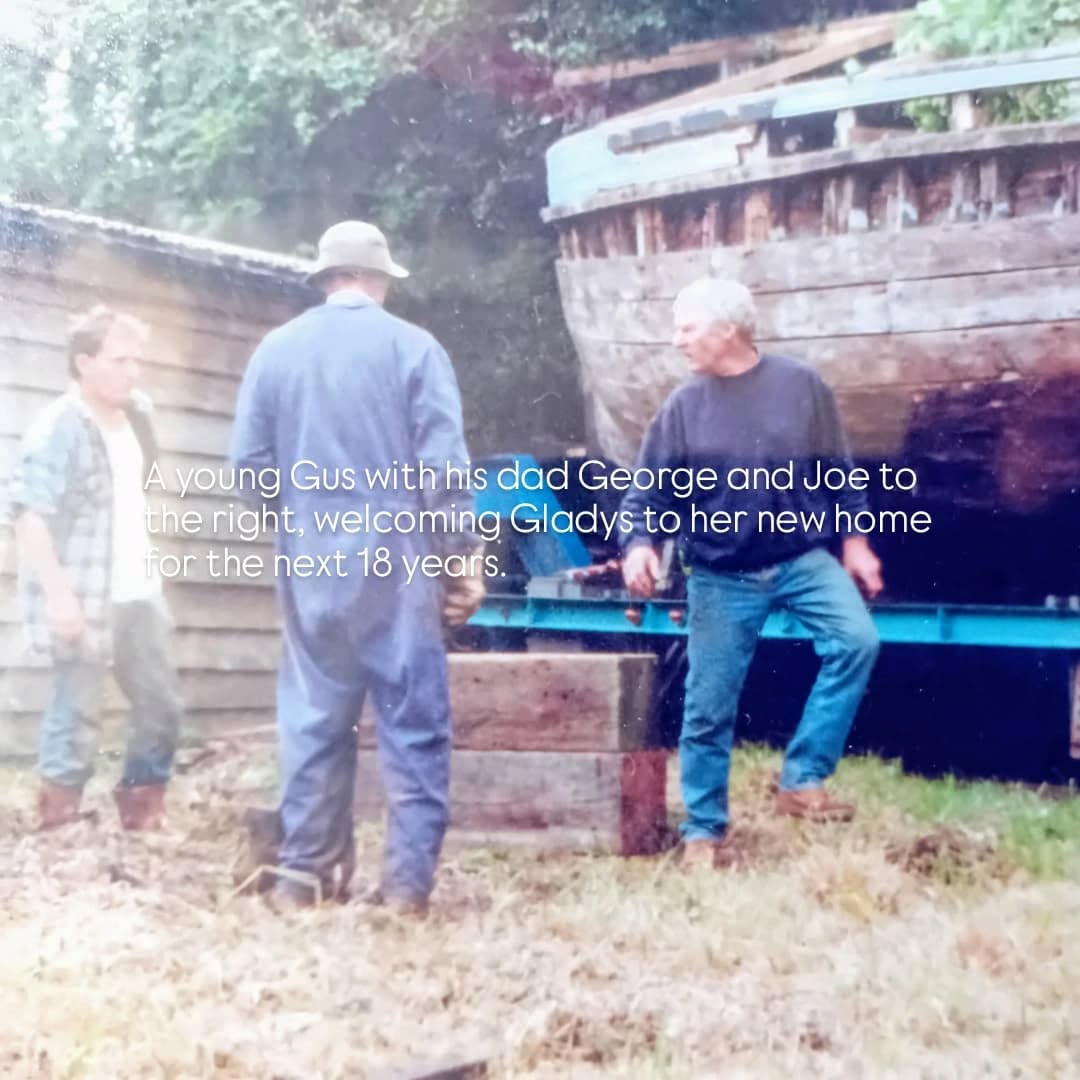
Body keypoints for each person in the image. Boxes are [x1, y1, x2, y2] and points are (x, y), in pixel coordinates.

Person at [230, 220, 484, 914]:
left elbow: (249, 468)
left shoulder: (274, 351)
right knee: (412, 720)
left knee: (313, 718)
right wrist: (461, 559)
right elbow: (441, 467)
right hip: (396, 556)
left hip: (310, 556)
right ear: (379, 280)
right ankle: (404, 888)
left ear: (324, 278)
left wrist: (302, 523)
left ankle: (300, 878)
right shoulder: (414, 348)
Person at [620, 278, 883, 868]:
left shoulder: (800, 386)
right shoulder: (683, 408)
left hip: (801, 560)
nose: (677, 341)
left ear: (728, 330)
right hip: (720, 574)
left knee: (857, 641)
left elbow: (837, 468)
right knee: (708, 706)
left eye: (687, 329)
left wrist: (856, 543)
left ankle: (802, 779)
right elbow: (648, 491)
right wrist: (640, 544)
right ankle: (704, 830)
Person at [8, 305, 182, 831]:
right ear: (84, 363)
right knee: (78, 708)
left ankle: (141, 810)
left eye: (138, 361)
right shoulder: (58, 426)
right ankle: (59, 822)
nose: (133, 371)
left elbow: (142, 486)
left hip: (139, 589)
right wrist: (60, 598)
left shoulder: (139, 414)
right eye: (120, 360)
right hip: (82, 589)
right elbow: (28, 518)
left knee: (160, 703)